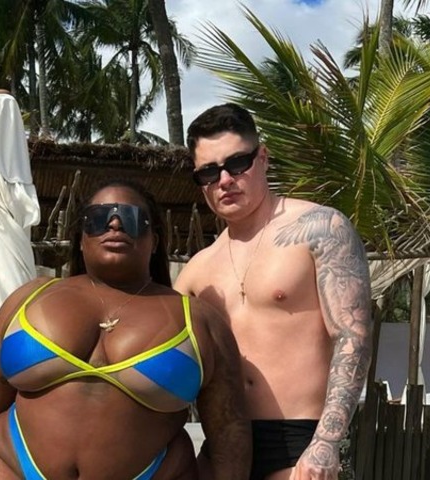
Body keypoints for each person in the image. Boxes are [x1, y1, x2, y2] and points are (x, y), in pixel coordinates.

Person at [0, 179, 251, 479]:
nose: (114, 224)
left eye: (131, 218)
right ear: (81, 238)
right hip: (8, 465)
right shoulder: (30, 297)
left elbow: (228, 428)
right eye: (98, 218)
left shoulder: (199, 321)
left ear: (154, 240)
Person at [175, 103, 372, 480]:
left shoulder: (320, 228)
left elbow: (353, 336)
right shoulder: (197, 269)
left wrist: (326, 443)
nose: (224, 180)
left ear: (262, 158)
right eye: (209, 172)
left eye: (237, 164)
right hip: (223, 447)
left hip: (299, 441)